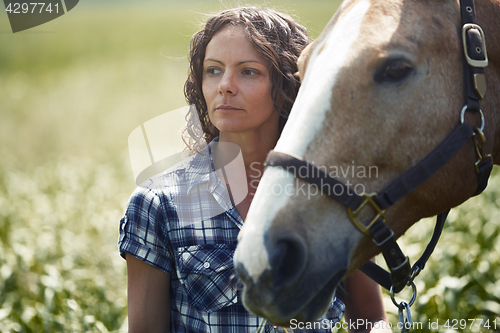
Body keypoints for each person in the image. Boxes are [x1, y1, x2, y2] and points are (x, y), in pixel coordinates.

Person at [119, 6, 391, 333]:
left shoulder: (334, 194)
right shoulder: (159, 204)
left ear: (288, 84)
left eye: (248, 71)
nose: (226, 86)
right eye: (213, 70)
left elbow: (370, 321)